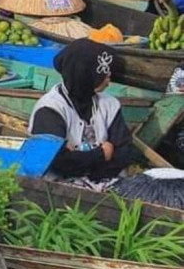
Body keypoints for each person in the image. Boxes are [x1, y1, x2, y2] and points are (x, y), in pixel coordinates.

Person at [29, 39, 137, 181]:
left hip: (104, 178)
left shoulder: (110, 104)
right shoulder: (50, 110)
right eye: (102, 77)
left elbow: (124, 151)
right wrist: (101, 154)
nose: (108, 82)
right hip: (59, 185)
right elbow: (57, 161)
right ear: (84, 76)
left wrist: (90, 167)